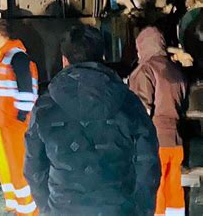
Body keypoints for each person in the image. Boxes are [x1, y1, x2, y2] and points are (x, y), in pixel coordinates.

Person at [24, 25, 161, 216]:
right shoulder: (128, 102)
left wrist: (48, 209)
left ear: (65, 60)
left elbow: (34, 167)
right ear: (103, 58)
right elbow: (148, 162)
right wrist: (141, 210)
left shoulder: (45, 106)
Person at [129, 27, 187, 216]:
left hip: (154, 145)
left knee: (156, 194)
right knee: (174, 195)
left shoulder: (145, 70)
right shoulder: (175, 71)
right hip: (175, 143)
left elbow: (140, 112)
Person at [0, 19, 39, 215]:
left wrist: (21, 116)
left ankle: (29, 210)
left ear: (0, 35)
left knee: (19, 168)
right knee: (8, 167)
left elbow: (27, 89)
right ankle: (18, 205)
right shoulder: (3, 57)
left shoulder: (16, 57)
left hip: (16, 125)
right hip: (5, 124)